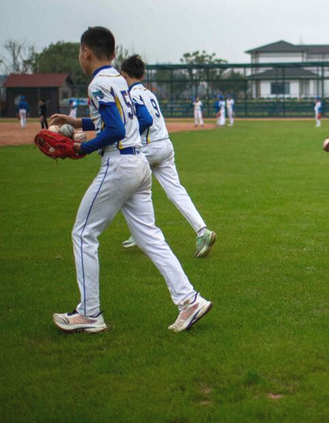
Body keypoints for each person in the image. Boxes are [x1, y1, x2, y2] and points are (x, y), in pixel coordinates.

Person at [48, 27, 211, 334]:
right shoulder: (120, 82)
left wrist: (82, 147)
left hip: (119, 164)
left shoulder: (98, 83)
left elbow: (114, 129)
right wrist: (75, 121)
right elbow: (126, 120)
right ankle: (190, 300)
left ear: (86, 52)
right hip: (139, 163)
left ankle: (89, 313)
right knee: (150, 237)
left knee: (83, 233)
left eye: (79, 53)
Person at [119, 55, 217, 258]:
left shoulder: (130, 94)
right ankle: (202, 231)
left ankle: (140, 234)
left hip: (147, 148)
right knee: (176, 192)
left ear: (123, 75)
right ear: (143, 74)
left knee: (125, 187)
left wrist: (130, 135)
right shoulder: (150, 94)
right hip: (165, 145)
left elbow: (144, 119)